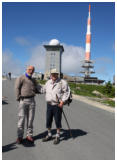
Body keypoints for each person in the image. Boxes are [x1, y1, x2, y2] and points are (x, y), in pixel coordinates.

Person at [42, 69, 70, 144]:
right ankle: (49, 134)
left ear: (58, 74)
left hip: (57, 105)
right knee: (48, 120)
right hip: (49, 104)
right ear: (50, 75)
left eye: (55, 74)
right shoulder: (48, 82)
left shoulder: (62, 82)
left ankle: (57, 135)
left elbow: (66, 92)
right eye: (52, 74)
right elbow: (43, 90)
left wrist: (62, 101)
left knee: (57, 120)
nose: (54, 75)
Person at [15, 65, 41, 144]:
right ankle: (20, 137)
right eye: (29, 69)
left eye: (32, 70)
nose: (31, 71)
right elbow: (16, 88)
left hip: (32, 101)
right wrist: (18, 98)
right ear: (26, 70)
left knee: (30, 120)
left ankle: (29, 135)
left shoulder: (34, 80)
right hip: (23, 101)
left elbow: (38, 88)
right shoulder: (21, 78)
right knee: (21, 119)